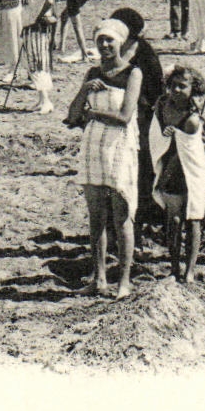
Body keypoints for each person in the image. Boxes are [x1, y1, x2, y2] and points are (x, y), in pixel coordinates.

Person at [64, 18, 143, 299]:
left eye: (110, 40)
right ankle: (98, 279)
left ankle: (123, 280)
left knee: (122, 216)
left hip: (119, 146)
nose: (105, 45)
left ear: (120, 42)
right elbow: (72, 116)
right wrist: (85, 90)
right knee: (96, 217)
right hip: (92, 147)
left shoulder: (132, 73)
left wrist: (92, 115)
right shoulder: (92, 73)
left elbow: (124, 117)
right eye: (100, 41)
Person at [111, 6, 167, 241]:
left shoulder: (145, 54)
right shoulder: (113, 50)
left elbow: (157, 91)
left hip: (143, 119)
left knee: (144, 169)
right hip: (116, 117)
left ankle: (146, 218)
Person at [151, 65, 205, 284]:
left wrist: (178, 136)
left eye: (182, 86)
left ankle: (190, 269)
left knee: (193, 218)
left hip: (189, 170)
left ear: (193, 89)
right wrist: (165, 136)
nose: (176, 90)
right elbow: (155, 134)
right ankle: (175, 267)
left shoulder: (193, 118)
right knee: (173, 220)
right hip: (169, 167)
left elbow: (189, 147)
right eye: (172, 85)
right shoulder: (162, 106)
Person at [18, 0, 59, 113]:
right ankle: (41, 100)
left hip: (38, 27)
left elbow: (50, 1)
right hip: (29, 25)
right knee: (33, 62)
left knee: (39, 61)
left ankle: (46, 100)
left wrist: (39, 15)